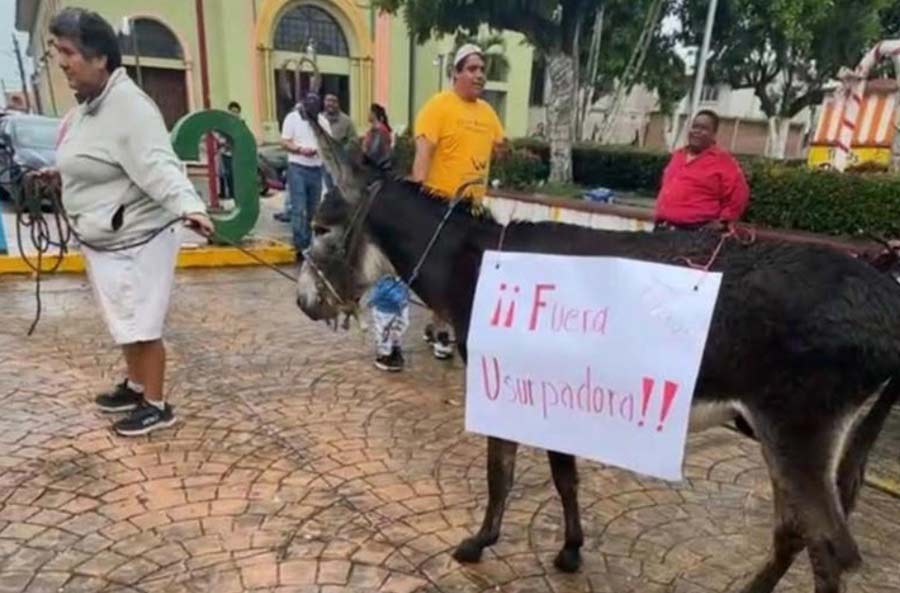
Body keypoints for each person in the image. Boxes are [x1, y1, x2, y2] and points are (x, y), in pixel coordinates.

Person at [45, 8, 214, 436]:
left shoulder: (130, 107)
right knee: (123, 317)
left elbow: (159, 164)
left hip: (138, 238)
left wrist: (190, 205)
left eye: (69, 52)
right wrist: (56, 174)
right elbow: (91, 157)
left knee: (142, 321)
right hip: (107, 238)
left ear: (101, 58)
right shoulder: (87, 106)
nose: (62, 62)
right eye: (57, 52)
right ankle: (135, 385)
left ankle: (156, 404)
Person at [412, 43, 504, 359]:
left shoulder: (488, 113)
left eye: (482, 70)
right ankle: (442, 330)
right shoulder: (438, 107)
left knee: (468, 271)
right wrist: (418, 202)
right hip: (442, 207)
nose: (479, 75)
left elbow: (498, 144)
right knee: (446, 271)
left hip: (474, 209)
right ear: (456, 73)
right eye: (472, 69)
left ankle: (441, 324)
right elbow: (423, 155)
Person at [654, 109, 750, 231]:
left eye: (703, 128)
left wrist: (723, 222)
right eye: (695, 127)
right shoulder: (678, 155)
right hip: (662, 229)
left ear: (713, 134)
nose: (697, 132)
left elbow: (739, 195)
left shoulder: (723, 161)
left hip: (694, 233)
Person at [281, 94, 331, 258]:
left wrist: (319, 151)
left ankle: (310, 244)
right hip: (298, 167)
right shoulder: (292, 118)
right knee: (299, 208)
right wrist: (300, 150)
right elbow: (285, 142)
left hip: (316, 168)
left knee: (313, 210)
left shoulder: (322, 121)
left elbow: (328, 143)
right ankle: (299, 244)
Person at [368, 276, 410, 372]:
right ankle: (386, 354)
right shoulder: (387, 281)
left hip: (394, 308)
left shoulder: (393, 281)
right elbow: (379, 293)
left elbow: (376, 295)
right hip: (386, 309)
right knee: (387, 332)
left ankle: (392, 351)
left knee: (394, 330)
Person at [216, 100, 241, 201]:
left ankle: (233, 194)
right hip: (225, 152)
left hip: (236, 153)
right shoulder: (224, 124)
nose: (234, 114)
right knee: (224, 173)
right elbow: (219, 136)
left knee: (233, 174)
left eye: (236, 112)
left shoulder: (241, 124)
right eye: (232, 111)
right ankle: (224, 193)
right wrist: (222, 142)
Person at [363, 103, 393, 170]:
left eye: (369, 112)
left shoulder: (380, 130)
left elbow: (374, 151)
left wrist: (364, 157)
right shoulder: (373, 130)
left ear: (373, 114)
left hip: (378, 168)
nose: (367, 114)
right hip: (375, 165)